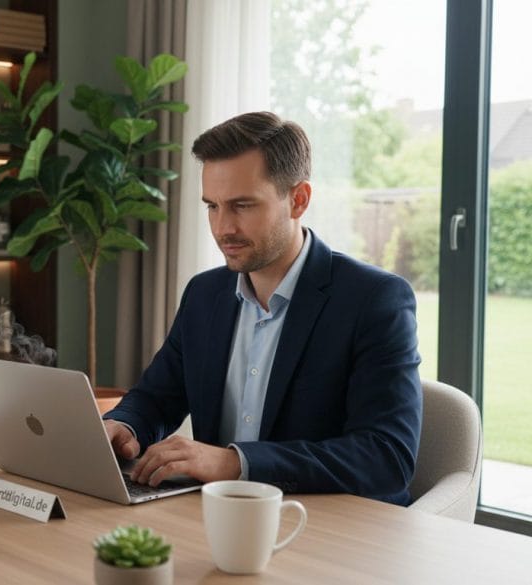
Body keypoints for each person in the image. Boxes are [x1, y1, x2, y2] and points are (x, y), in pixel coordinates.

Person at [103, 111, 422, 505]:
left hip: (331, 531)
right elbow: (157, 396)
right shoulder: (205, 294)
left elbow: (385, 458)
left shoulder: (374, 300)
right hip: (218, 521)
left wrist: (236, 463)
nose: (223, 228)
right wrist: (125, 425)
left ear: (298, 200)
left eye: (242, 206)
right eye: (212, 206)